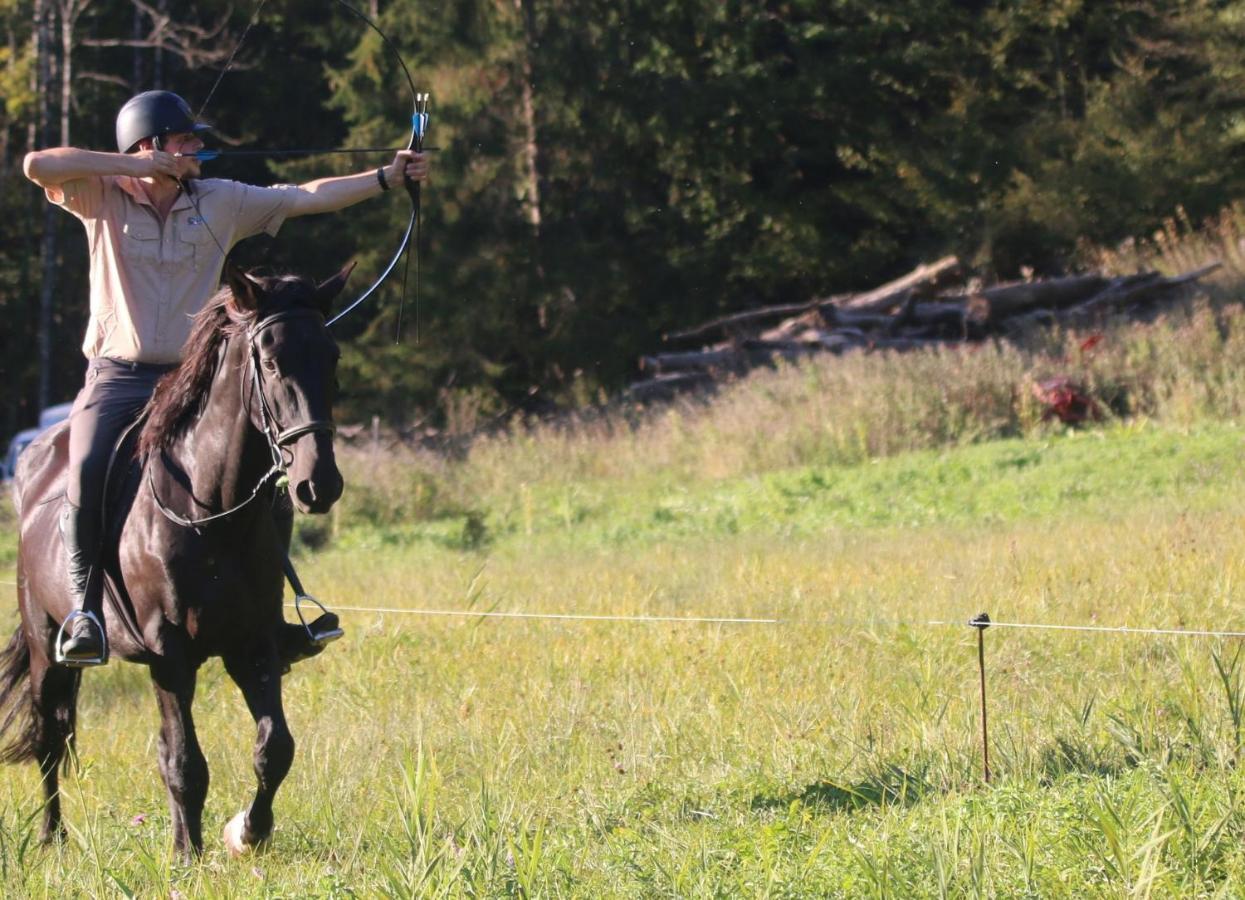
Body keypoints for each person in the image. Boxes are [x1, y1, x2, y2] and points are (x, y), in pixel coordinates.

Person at [22, 90, 429, 665]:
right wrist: (131, 168)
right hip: (117, 376)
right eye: (187, 139)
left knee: (265, 471)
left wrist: (386, 178)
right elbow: (37, 165)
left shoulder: (220, 200)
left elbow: (305, 196)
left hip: (195, 375)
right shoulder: (99, 194)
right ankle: (87, 611)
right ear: (151, 144)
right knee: (86, 471)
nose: (199, 148)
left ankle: (272, 610)